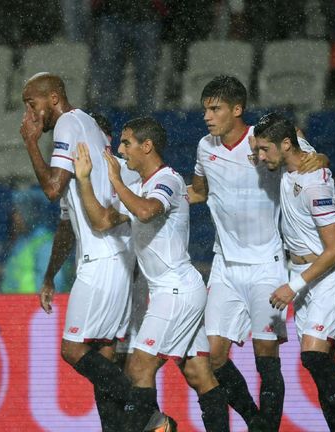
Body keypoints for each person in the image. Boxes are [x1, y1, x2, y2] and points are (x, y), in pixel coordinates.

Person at [188, 75, 327, 430]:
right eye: (205, 108)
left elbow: (308, 157)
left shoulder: (262, 141)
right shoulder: (205, 146)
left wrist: (319, 156)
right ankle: (255, 420)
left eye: (215, 108)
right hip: (225, 266)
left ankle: (267, 426)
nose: (207, 116)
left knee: (266, 356)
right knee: (214, 358)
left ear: (238, 110)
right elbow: (201, 188)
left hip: (267, 265)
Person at [74, 118, 229, 431]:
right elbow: (103, 221)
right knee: (200, 374)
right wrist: (85, 180)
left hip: (175, 291)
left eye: (126, 143)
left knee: (138, 368)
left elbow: (146, 211)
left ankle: (159, 427)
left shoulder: (168, 180)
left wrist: (115, 180)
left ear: (147, 146)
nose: (120, 150)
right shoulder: (139, 188)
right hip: (174, 291)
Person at [20, 72, 136, 431]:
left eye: (31, 104)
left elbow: (53, 189)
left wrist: (30, 144)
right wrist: (50, 273)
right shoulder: (89, 126)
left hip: (100, 260)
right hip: (116, 258)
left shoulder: (67, 124)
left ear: (53, 98)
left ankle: (151, 415)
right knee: (105, 360)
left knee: (72, 349)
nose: (29, 114)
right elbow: (68, 220)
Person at [253, 112, 335, 431]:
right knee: (320, 364)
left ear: (285, 145)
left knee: (313, 358)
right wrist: (319, 155)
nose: (259, 157)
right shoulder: (298, 151)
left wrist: (293, 285)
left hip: (328, 275)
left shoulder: (315, 184)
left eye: (264, 150)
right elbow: (295, 131)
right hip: (303, 277)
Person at [0, 185, 73, 294]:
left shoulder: (45, 244)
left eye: (18, 212)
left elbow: (54, 283)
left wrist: (38, 308)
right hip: (12, 306)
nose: (14, 217)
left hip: (32, 307)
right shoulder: (22, 240)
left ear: (28, 213)